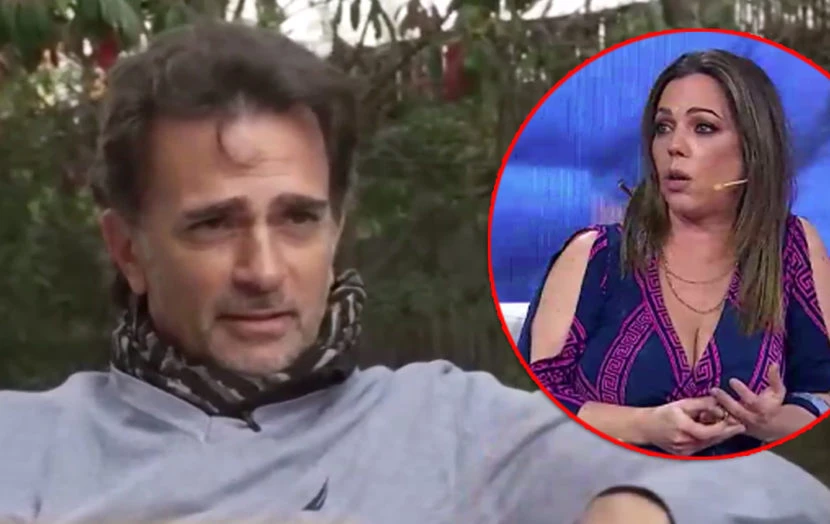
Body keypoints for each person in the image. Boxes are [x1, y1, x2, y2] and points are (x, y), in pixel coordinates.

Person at [1, 24, 830, 524]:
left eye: (297, 219)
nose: (263, 270)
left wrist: (642, 502)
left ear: (337, 229)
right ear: (128, 249)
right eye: (213, 224)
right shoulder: (26, 446)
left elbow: (775, 495)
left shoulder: (452, 424)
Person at [518, 48, 830, 457]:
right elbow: (536, 405)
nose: (674, 146)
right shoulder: (595, 256)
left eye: (703, 128)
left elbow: (821, 393)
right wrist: (644, 425)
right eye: (663, 128)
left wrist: (771, 423)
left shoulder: (791, 246)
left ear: (753, 148)